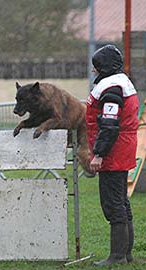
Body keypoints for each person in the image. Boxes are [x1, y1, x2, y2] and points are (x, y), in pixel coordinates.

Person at [86, 44, 139, 266]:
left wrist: (99, 153)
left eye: (96, 66)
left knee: (113, 203)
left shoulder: (112, 89)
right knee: (121, 201)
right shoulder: (119, 83)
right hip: (121, 147)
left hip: (113, 150)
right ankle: (125, 255)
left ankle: (117, 256)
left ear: (105, 67)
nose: (93, 71)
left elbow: (109, 124)